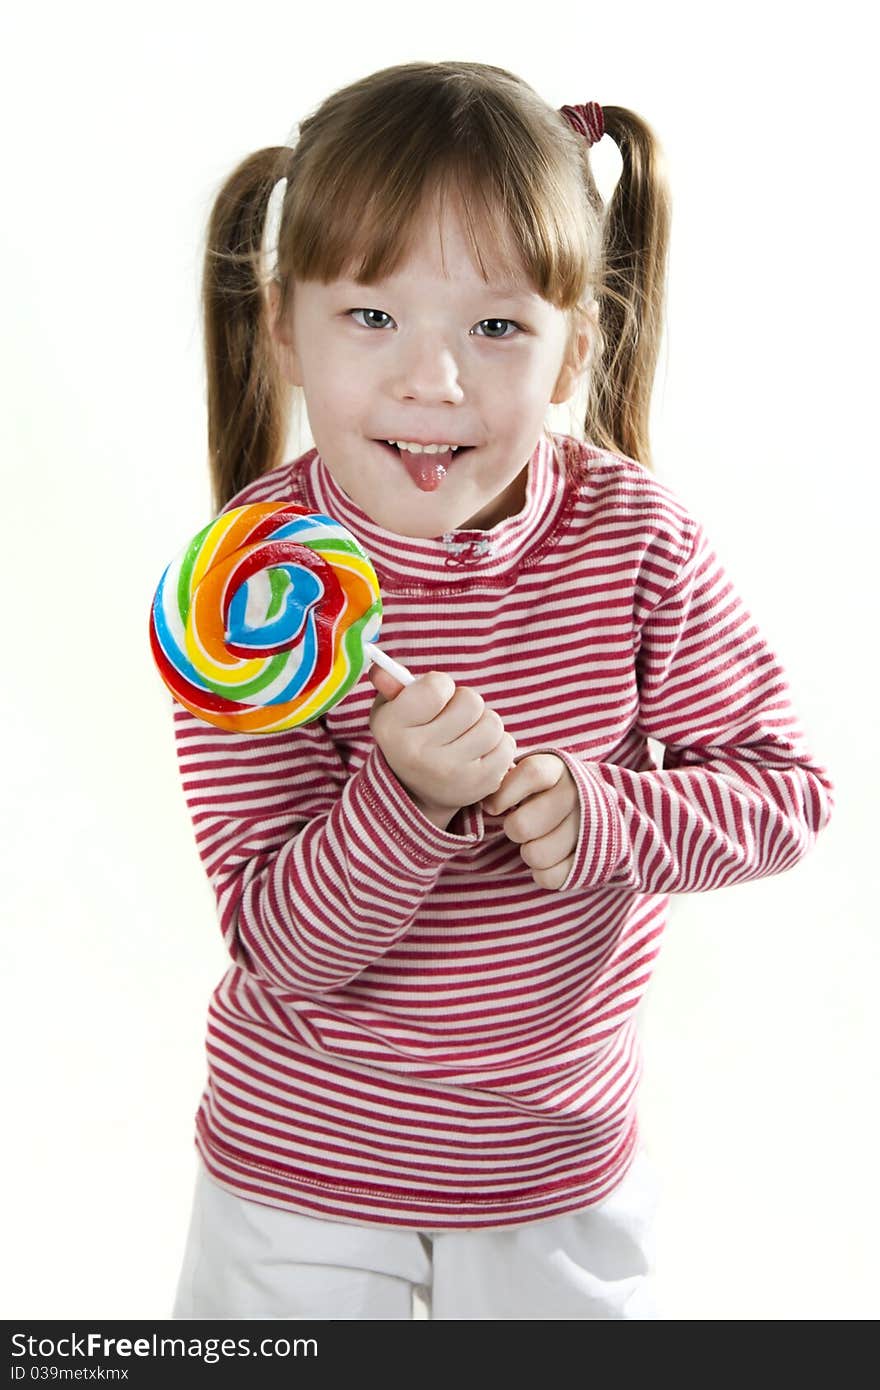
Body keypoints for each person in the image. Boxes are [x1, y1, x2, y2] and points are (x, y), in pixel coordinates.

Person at [169, 60, 834, 1320]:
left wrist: (608, 817)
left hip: (556, 1168)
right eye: (372, 318)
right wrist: (404, 802)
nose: (434, 380)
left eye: (495, 326)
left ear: (575, 348)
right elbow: (280, 945)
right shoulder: (248, 583)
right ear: (282, 329)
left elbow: (787, 795)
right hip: (300, 1173)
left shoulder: (638, 544)